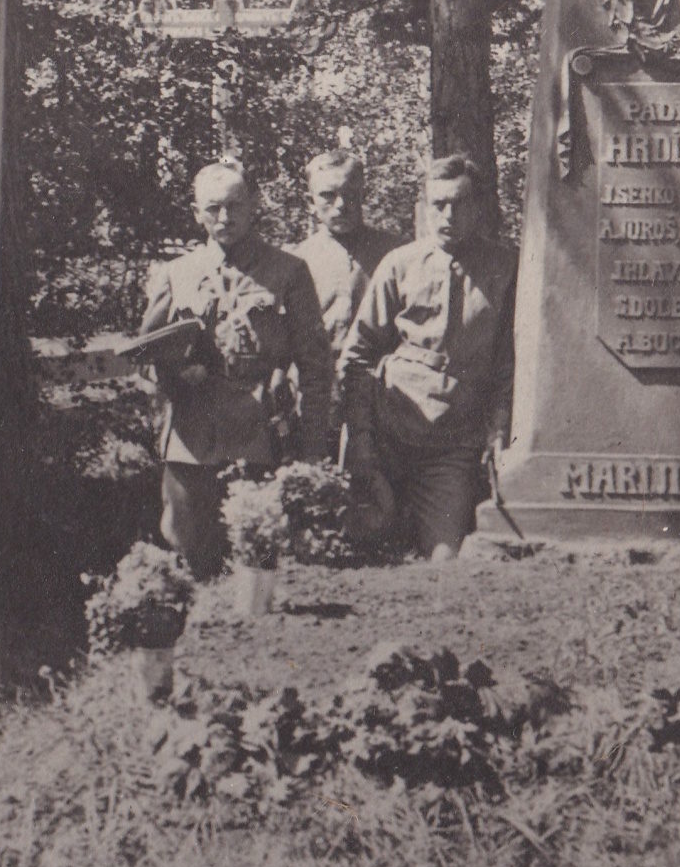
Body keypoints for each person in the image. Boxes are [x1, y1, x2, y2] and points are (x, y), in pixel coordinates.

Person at [141, 157, 333, 579]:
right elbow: (148, 355)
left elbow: (316, 365)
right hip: (192, 439)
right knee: (190, 559)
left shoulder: (288, 272)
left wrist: (314, 446)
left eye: (235, 205)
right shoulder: (176, 274)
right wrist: (176, 373)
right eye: (213, 208)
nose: (224, 217)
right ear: (197, 214)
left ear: (253, 207)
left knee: (259, 560)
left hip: (261, 437)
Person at [339, 153, 517, 561]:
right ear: (424, 207)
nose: (448, 214)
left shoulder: (505, 268)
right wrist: (362, 439)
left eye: (459, 203)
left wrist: (499, 430)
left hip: (452, 446)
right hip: (387, 436)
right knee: (363, 551)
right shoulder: (400, 265)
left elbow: (509, 364)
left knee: (444, 556)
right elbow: (359, 356)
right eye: (438, 204)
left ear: (477, 208)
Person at [294, 148, 399, 455]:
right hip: (315, 397)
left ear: (363, 195)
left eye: (351, 194)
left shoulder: (396, 255)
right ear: (310, 201)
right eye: (328, 195)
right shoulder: (295, 261)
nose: (341, 205)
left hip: (381, 397)